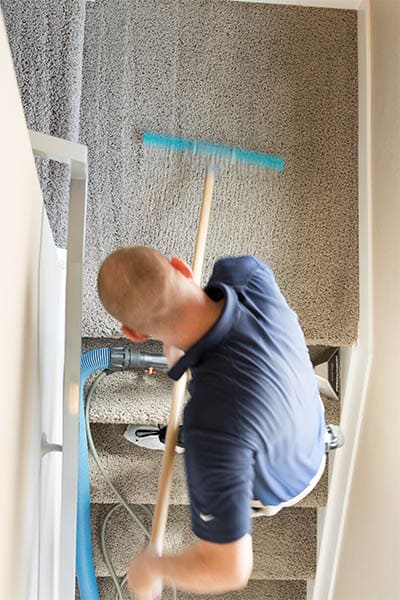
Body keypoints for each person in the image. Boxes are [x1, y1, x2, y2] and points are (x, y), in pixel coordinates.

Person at [97, 246, 343, 600]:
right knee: (228, 438)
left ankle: (237, 463)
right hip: (306, 413)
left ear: (133, 333)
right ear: (182, 267)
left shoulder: (209, 429)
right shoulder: (246, 273)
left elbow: (229, 567)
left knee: (221, 449)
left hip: (287, 483)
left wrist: (152, 567)